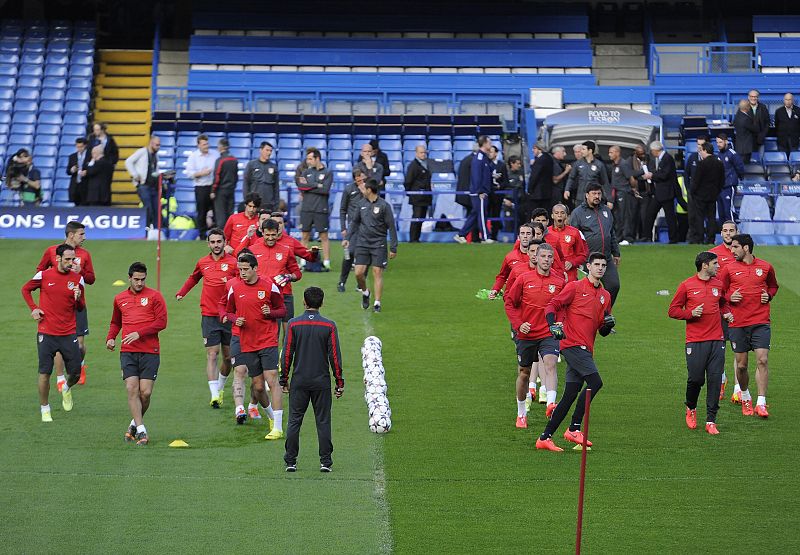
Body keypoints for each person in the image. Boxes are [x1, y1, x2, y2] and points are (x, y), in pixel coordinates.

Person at [535, 252, 615, 451]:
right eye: (596, 264)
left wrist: (607, 325)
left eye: (603, 265)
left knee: (570, 394)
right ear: (588, 266)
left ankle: (544, 437)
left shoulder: (605, 296)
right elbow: (552, 305)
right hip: (571, 344)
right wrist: (553, 325)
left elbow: (602, 331)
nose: (600, 268)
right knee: (596, 382)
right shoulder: (575, 287)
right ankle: (574, 428)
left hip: (586, 348)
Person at [246, 219, 302, 432]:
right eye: (267, 235)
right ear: (262, 232)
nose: (270, 238)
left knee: (287, 337)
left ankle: (283, 369)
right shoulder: (253, 249)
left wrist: (288, 276)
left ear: (279, 232)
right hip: (260, 300)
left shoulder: (286, 250)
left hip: (283, 297)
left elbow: (297, 273)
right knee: (268, 338)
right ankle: (259, 396)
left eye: (274, 235)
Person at [668, 251, 732, 435]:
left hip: (717, 340)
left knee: (715, 379)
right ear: (705, 265)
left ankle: (711, 420)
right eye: (715, 263)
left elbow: (723, 303)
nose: (718, 266)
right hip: (695, 341)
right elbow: (672, 310)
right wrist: (690, 314)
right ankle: (691, 408)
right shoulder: (687, 285)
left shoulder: (718, 285)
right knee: (696, 379)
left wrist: (726, 312)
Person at [281, 286, 344, 473]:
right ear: (322, 303)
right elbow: (335, 356)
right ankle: (325, 462)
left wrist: (284, 380)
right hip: (321, 382)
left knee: (294, 421)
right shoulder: (329, 325)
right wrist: (339, 382)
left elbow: (286, 355)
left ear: (304, 301)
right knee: (323, 421)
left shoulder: (293, 324)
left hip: (299, 381)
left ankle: (291, 461)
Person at [223, 252, 286, 435]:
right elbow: (228, 312)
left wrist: (271, 312)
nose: (242, 273)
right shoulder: (235, 288)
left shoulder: (269, 286)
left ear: (255, 269)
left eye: (245, 269)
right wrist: (236, 320)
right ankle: (272, 417)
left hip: (267, 340)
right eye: (240, 269)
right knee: (258, 387)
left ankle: (278, 427)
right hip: (247, 343)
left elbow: (282, 309)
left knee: (272, 378)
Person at [106, 262, 168, 446]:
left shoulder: (155, 296)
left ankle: (133, 424)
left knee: (145, 393)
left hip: (150, 351)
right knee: (132, 389)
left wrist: (139, 333)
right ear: (129, 278)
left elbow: (162, 322)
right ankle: (142, 431)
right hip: (128, 352)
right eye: (136, 279)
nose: (140, 283)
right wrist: (110, 338)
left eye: (142, 279)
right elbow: (115, 322)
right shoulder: (120, 298)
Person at [175, 228, 238, 408]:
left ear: (225, 242)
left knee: (228, 358)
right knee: (212, 354)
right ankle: (214, 395)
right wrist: (182, 293)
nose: (216, 245)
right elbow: (193, 278)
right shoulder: (203, 262)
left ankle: (220, 387)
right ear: (208, 243)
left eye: (219, 242)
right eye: (213, 242)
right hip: (209, 315)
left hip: (228, 316)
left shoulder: (234, 263)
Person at [22, 244, 85, 422]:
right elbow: (25, 289)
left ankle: (66, 386)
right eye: (67, 259)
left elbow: (80, 307)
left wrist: (78, 298)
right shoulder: (43, 275)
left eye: (73, 259)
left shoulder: (77, 279)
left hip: (68, 333)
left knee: (76, 373)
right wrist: (34, 308)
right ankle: (45, 409)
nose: (71, 263)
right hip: (46, 332)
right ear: (57, 258)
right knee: (44, 372)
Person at [718, 234, 779, 418]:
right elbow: (719, 294)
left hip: (760, 321)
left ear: (746, 248)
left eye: (735, 247)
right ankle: (745, 396)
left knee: (762, 360)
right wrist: (729, 298)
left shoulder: (765, 267)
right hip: (738, 323)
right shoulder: (728, 270)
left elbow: (773, 287)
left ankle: (761, 402)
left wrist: (768, 295)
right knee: (742, 365)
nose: (732, 250)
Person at [504, 243, 565, 426]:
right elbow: (509, 302)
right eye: (543, 256)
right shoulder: (524, 279)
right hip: (527, 333)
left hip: (548, 332)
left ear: (553, 260)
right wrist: (519, 324)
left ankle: (552, 404)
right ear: (535, 258)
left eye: (549, 257)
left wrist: (560, 321)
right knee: (524, 373)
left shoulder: (559, 282)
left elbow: (564, 306)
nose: (546, 260)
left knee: (551, 363)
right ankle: (521, 412)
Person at [36, 220, 95, 389]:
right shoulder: (52, 251)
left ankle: (80, 363)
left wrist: (80, 272)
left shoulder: (85, 255)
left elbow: (91, 279)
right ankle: (60, 378)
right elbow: (39, 271)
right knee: (58, 344)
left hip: (77, 303)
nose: (84, 237)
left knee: (80, 345)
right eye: (81, 234)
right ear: (71, 235)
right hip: (57, 308)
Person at [348, 179, 398, 312]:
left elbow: (391, 227)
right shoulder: (361, 204)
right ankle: (365, 292)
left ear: (369, 190)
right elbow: (354, 222)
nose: (362, 190)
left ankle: (377, 303)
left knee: (377, 272)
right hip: (363, 243)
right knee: (358, 273)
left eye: (364, 188)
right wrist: (347, 238)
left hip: (378, 244)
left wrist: (393, 247)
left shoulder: (384, 206)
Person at [569, 184, 621, 306]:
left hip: (606, 259)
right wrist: (576, 259)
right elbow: (572, 237)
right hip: (588, 260)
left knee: (614, 286)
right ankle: (592, 316)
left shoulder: (606, 211)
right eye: (594, 194)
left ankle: (605, 315)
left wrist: (616, 252)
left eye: (599, 194)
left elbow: (611, 232)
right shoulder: (578, 213)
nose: (597, 196)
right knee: (587, 292)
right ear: (587, 195)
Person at [710, 221, 740, 401]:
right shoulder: (714, 253)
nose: (728, 234)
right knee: (719, 349)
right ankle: (722, 380)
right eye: (725, 231)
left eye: (731, 231)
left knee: (738, 349)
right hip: (719, 308)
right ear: (721, 233)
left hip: (738, 308)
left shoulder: (742, 252)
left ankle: (738, 388)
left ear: (737, 232)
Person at [297, 147, 333, 270]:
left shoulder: (328, 172)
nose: (308, 161)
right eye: (307, 159)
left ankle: (327, 262)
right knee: (305, 236)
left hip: (320, 209)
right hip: (306, 208)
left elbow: (325, 190)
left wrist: (310, 186)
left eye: (310, 159)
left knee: (324, 236)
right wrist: (316, 185)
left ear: (317, 158)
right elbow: (301, 186)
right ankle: (302, 262)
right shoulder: (306, 172)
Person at [454, 135, 493, 244]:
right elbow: (476, 176)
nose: (491, 144)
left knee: (475, 214)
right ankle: (485, 237)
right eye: (489, 142)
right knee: (481, 214)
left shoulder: (483, 157)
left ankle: (461, 234)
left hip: (480, 191)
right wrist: (480, 190)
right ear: (484, 143)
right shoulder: (479, 158)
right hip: (479, 193)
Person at [607, 145, 645, 246]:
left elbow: (630, 176)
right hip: (617, 193)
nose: (609, 155)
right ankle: (619, 237)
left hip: (624, 193)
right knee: (618, 217)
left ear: (617, 153)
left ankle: (627, 238)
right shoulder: (615, 165)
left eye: (611, 152)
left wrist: (642, 172)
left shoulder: (623, 164)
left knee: (625, 216)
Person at [649, 141, 686, 244]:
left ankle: (673, 238)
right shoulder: (664, 159)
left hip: (666, 193)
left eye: (652, 151)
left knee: (670, 217)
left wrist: (652, 176)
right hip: (661, 193)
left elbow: (665, 175)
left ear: (656, 150)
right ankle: (647, 236)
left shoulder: (667, 159)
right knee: (651, 214)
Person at [184, 134, 220, 239]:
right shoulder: (193, 156)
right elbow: (189, 174)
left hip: (213, 187)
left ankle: (217, 235)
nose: (206, 146)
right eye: (204, 144)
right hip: (201, 187)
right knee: (202, 212)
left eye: (207, 143)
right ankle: (202, 235)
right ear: (198, 145)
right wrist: (201, 173)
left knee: (216, 211)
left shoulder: (215, 154)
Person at [688, 143, 725, 244]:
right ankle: (710, 239)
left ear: (705, 150)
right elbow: (722, 180)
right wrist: (717, 191)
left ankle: (699, 238)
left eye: (701, 150)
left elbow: (696, 180)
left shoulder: (701, 164)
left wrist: (692, 191)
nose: (700, 153)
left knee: (699, 217)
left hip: (700, 195)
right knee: (711, 217)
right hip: (713, 195)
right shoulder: (719, 163)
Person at [339, 169, 368, 291]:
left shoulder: (369, 189)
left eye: (362, 179)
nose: (360, 182)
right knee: (349, 254)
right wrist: (343, 227)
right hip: (353, 227)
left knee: (365, 255)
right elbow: (343, 209)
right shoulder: (348, 189)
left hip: (367, 226)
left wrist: (364, 192)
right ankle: (341, 282)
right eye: (358, 180)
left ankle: (360, 285)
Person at [488, 223, 534, 299]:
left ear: (533, 237)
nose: (525, 236)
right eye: (522, 233)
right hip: (514, 297)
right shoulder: (510, 256)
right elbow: (502, 276)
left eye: (528, 233)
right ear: (518, 237)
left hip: (532, 297)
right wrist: (495, 289)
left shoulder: (538, 257)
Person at [124, 135, 161, 228]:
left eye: (159, 145)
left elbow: (155, 170)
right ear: (151, 143)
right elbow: (128, 161)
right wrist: (135, 174)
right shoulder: (142, 152)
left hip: (153, 186)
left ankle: (157, 231)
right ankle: (147, 228)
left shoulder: (156, 156)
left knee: (157, 209)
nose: (158, 147)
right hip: (143, 185)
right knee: (148, 208)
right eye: (157, 145)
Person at [547, 203, 588, 282]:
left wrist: (572, 262)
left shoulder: (575, 232)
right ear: (552, 216)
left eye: (562, 213)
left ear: (566, 216)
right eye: (556, 213)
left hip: (570, 276)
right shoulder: (546, 233)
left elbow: (582, 255)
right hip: (551, 275)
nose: (559, 215)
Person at [565, 141, 611, 209]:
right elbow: (571, 178)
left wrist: (609, 200)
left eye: (583, 149)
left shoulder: (599, 165)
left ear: (590, 150)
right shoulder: (578, 164)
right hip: (580, 198)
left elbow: (605, 182)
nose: (581, 151)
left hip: (594, 198)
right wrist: (567, 189)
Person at [404, 145, 432, 243]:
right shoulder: (413, 165)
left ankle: (417, 238)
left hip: (425, 196)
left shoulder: (427, 164)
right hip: (417, 196)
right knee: (416, 217)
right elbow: (408, 181)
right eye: (421, 152)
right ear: (416, 153)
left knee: (421, 218)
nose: (423, 154)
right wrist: (412, 193)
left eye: (424, 152)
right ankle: (413, 239)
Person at [715, 134, 744, 226]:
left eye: (720, 142)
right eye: (717, 142)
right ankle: (724, 236)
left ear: (726, 141)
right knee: (721, 213)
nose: (718, 144)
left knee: (728, 211)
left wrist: (736, 180)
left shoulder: (732, 154)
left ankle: (733, 234)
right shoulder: (718, 154)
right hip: (719, 187)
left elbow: (740, 168)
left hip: (729, 187)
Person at [210, 138, 239, 229]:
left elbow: (217, 176)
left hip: (221, 190)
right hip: (231, 189)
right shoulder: (234, 159)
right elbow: (236, 176)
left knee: (221, 214)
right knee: (230, 213)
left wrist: (213, 190)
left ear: (221, 147)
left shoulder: (220, 160)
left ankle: (221, 235)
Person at [684, 136, 708, 244]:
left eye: (702, 144)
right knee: (692, 216)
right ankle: (693, 238)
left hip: (704, 193)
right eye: (698, 144)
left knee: (703, 216)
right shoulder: (692, 157)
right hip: (692, 192)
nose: (699, 147)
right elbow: (686, 174)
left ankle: (702, 237)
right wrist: (688, 188)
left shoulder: (710, 159)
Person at [243, 141, 279, 212]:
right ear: (261, 150)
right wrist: (247, 201)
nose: (269, 153)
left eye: (271, 151)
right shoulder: (251, 165)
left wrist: (276, 204)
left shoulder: (273, 167)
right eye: (267, 150)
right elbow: (246, 184)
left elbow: (276, 187)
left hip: (269, 204)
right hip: (254, 204)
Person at [631, 143, 656, 241]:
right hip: (634, 192)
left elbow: (652, 172)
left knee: (645, 216)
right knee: (634, 216)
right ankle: (633, 236)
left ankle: (645, 236)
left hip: (647, 192)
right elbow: (630, 173)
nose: (642, 155)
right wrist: (642, 174)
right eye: (640, 153)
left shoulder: (650, 160)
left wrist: (647, 175)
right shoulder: (630, 160)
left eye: (643, 153)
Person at [526, 142, 554, 221]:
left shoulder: (540, 160)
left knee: (533, 214)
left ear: (539, 149)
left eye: (534, 148)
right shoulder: (549, 158)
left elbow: (534, 176)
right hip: (547, 192)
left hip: (537, 194)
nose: (533, 150)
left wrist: (529, 189)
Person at [487, 145, 509, 240]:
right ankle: (486, 235)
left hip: (498, 195)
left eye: (491, 152)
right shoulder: (486, 164)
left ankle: (494, 236)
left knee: (496, 214)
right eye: (489, 152)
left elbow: (506, 181)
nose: (490, 153)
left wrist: (500, 186)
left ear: (496, 153)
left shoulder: (502, 165)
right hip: (488, 194)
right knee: (487, 214)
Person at [746, 89, 771, 162]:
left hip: (760, 138)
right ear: (748, 97)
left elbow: (767, 123)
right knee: (748, 162)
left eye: (755, 96)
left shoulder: (763, 107)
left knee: (761, 161)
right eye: (751, 96)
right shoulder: (744, 107)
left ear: (758, 97)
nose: (753, 98)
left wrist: (763, 134)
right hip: (748, 140)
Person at [732, 99, 760, 164]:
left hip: (739, 146)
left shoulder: (737, 116)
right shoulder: (746, 119)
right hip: (746, 148)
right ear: (747, 107)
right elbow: (755, 129)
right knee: (745, 166)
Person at [775, 92, 800, 156]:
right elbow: (777, 125)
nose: (788, 101)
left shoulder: (798, 110)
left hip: (794, 140)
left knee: (794, 159)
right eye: (786, 99)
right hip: (782, 140)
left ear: (793, 100)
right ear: (784, 100)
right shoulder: (778, 111)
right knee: (782, 159)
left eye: (789, 99)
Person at [67, 137, 90, 205]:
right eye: (78, 147)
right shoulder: (72, 156)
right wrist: (72, 170)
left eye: (81, 147)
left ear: (85, 146)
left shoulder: (90, 156)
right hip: (75, 185)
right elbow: (68, 171)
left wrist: (86, 172)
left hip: (86, 185)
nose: (79, 148)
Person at [550, 146, 572, 210]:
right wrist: (566, 171)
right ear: (557, 152)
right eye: (563, 152)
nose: (565, 154)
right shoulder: (554, 163)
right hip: (555, 193)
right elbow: (555, 180)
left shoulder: (558, 163)